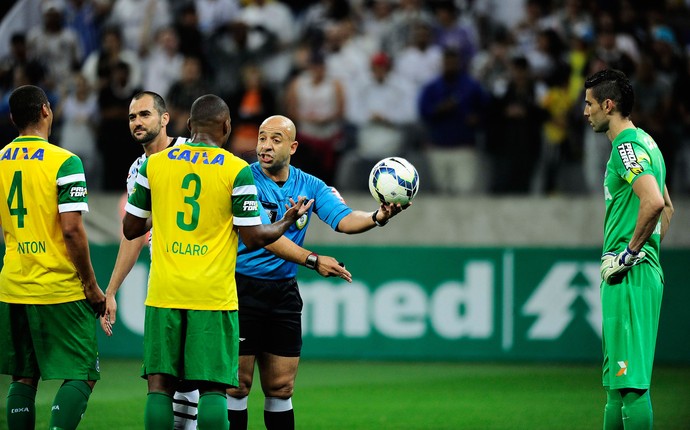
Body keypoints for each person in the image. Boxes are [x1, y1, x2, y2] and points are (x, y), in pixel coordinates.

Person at [101, 91, 351, 430]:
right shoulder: (236, 170)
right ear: (227, 127)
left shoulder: (153, 164)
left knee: (159, 387)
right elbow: (254, 237)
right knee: (215, 387)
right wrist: (286, 221)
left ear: (188, 126)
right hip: (213, 293)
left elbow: (132, 229)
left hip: (164, 290)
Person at [226, 115, 408, 430]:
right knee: (237, 384)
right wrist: (313, 259)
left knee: (281, 387)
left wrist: (378, 216)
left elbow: (345, 219)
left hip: (283, 293)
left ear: (293, 146)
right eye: (262, 138)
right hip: (241, 289)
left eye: (275, 139)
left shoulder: (311, 185)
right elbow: (261, 238)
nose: (265, 146)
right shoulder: (244, 179)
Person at [0, 84, 106, 429]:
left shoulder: (0, 160)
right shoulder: (66, 162)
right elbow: (72, 230)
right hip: (59, 286)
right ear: (47, 110)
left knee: (23, 376)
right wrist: (90, 285)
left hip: (14, 283)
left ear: (13, 118)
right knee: (83, 372)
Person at [583, 69, 674, 429]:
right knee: (616, 388)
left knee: (631, 385)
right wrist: (648, 250)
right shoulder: (647, 142)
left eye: (589, 104)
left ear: (608, 104)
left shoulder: (626, 148)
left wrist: (631, 254)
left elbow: (652, 203)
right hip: (633, 275)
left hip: (629, 274)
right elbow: (668, 207)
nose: (585, 112)